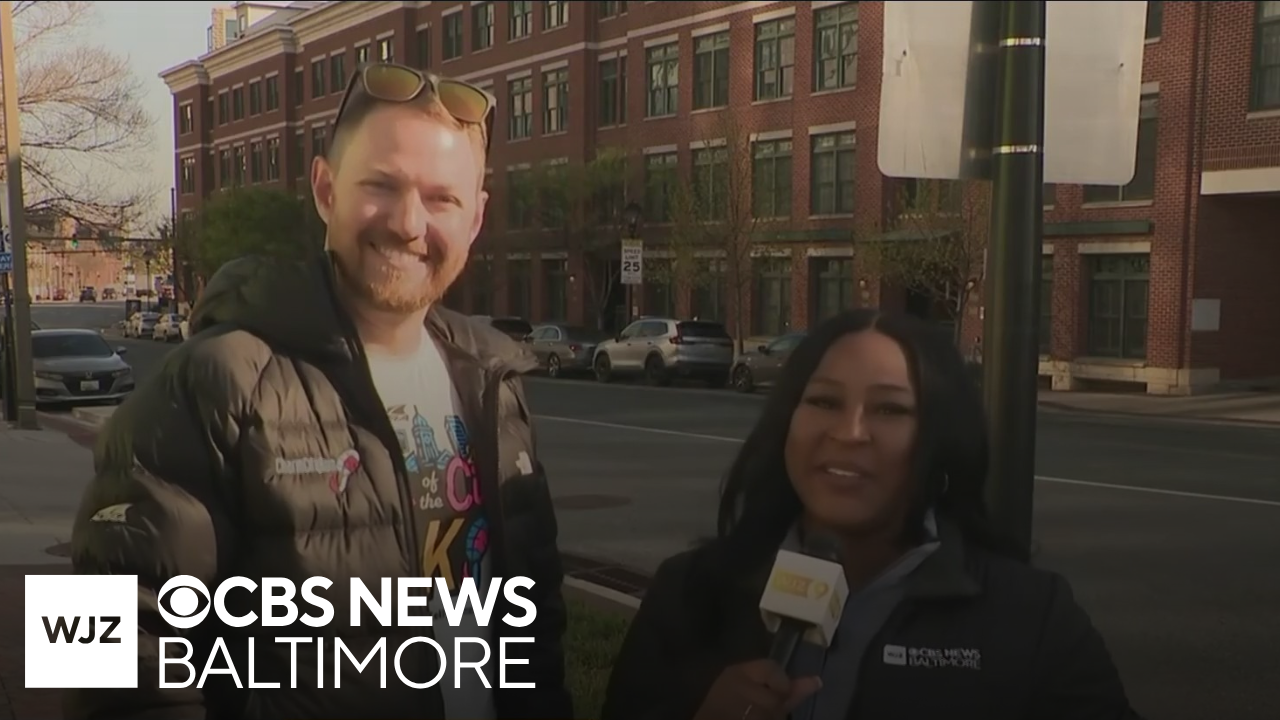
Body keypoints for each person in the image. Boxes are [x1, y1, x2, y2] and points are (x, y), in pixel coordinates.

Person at [67, 63, 572, 720]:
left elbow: (536, 630)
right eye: (381, 186)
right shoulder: (208, 385)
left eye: (441, 199)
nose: (408, 223)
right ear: (326, 189)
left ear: (476, 218)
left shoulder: (494, 383)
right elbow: (103, 661)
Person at [601, 309, 1141, 720]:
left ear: (939, 442)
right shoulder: (689, 593)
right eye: (824, 402)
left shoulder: (1031, 617)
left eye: (889, 409)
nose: (850, 433)